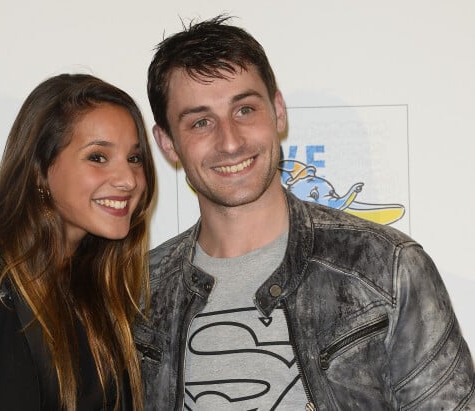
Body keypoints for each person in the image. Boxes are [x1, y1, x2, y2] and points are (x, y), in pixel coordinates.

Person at [136, 15, 475, 410]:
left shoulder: (387, 268)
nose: (229, 141)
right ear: (167, 144)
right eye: (200, 122)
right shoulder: (139, 293)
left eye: (244, 110)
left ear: (278, 111)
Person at [0, 73, 156, 411]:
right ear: (40, 171)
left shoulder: (102, 285)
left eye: (134, 158)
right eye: (98, 157)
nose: (128, 180)